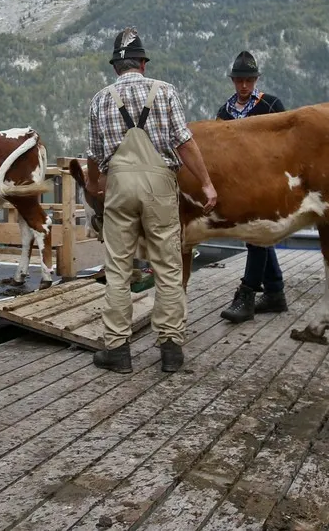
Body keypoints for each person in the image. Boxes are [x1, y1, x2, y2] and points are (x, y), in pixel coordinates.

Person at [86, 28, 218, 374]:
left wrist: (98, 186)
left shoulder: (100, 99)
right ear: (142, 63)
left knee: (118, 268)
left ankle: (117, 349)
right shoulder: (165, 92)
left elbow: (95, 155)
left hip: (119, 184)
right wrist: (206, 184)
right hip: (160, 185)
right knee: (168, 266)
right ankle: (171, 349)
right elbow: (185, 143)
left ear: (117, 67)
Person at [217, 51, 288, 324]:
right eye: (239, 80)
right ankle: (274, 292)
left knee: (256, 233)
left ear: (256, 80)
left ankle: (247, 294)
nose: (244, 85)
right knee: (256, 235)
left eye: (249, 79)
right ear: (233, 81)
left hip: (267, 181)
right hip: (237, 184)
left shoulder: (271, 105)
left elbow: (285, 144)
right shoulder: (224, 112)